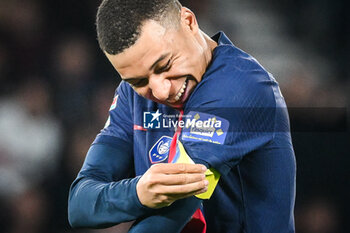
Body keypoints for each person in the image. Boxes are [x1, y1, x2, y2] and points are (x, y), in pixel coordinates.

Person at [68, 0, 296, 232]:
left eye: (165, 64)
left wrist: (131, 198)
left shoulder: (239, 87)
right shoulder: (131, 95)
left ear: (188, 21)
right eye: (139, 81)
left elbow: (168, 219)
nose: (160, 91)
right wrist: (138, 193)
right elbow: (79, 204)